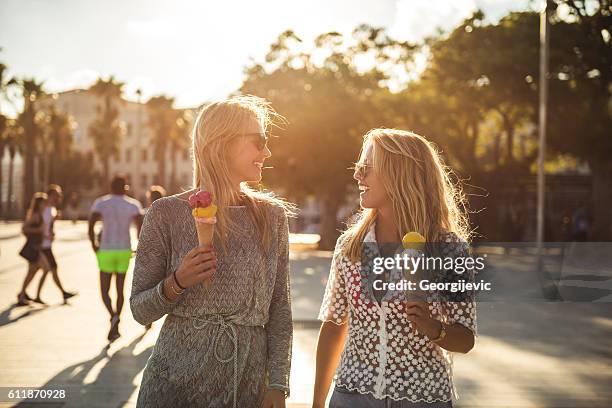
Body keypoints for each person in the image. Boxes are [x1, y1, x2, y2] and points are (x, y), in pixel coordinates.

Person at [130, 95, 293, 408]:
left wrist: (277, 383)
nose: (267, 152)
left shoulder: (272, 216)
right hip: (173, 386)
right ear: (223, 144)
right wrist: (176, 282)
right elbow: (140, 311)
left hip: (246, 386)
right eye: (259, 142)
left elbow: (280, 309)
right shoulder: (166, 213)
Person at [313, 129, 477, 408]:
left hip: (423, 398)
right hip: (353, 396)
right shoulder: (349, 246)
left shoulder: (449, 249)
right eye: (357, 168)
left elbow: (465, 339)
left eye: (365, 168)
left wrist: (433, 327)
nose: (357, 176)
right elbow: (333, 327)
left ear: (398, 173)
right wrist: (317, 404)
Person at [89, 175, 144, 342]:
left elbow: (91, 224)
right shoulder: (133, 205)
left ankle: (112, 316)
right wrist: (138, 248)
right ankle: (116, 322)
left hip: (106, 249)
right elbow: (140, 229)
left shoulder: (101, 203)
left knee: (104, 289)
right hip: (123, 250)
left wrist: (94, 244)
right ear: (125, 187)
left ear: (110, 187)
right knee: (120, 289)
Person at [34, 184, 77, 304]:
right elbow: (39, 226)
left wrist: (52, 230)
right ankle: (62, 293)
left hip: (47, 245)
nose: (59, 198)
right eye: (57, 195)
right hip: (41, 245)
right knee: (48, 269)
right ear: (51, 196)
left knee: (47, 269)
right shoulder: (44, 209)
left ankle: (29, 294)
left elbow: (49, 227)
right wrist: (46, 235)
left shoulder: (52, 210)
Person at [17, 192, 48, 306]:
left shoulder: (39, 215)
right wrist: (39, 230)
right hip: (32, 247)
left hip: (36, 247)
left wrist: (46, 235)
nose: (46, 204)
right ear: (39, 204)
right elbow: (24, 228)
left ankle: (22, 294)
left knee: (36, 270)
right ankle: (22, 295)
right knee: (44, 269)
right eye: (44, 202)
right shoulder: (35, 215)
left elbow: (39, 230)